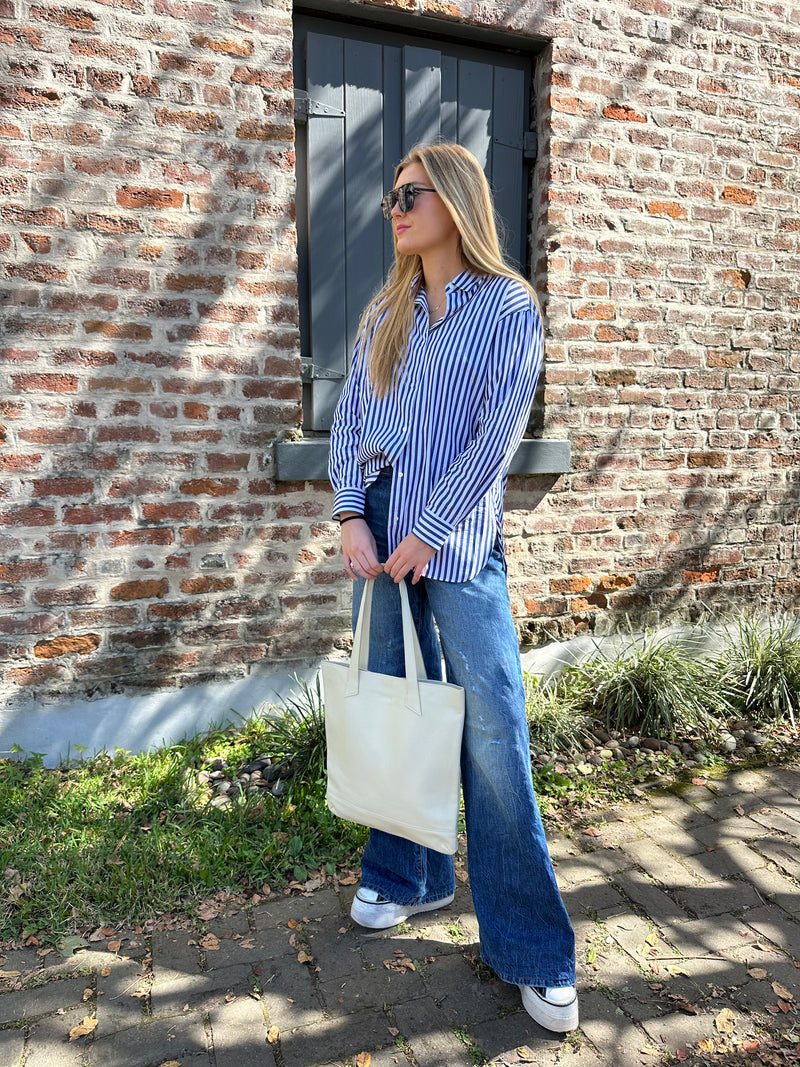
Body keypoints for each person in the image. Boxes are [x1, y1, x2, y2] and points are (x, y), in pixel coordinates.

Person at [328, 141, 577, 1033]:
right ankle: (413, 875)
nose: (393, 208)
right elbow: (351, 418)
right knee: (398, 702)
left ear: (457, 201)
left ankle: (534, 946)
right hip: (382, 524)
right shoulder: (385, 313)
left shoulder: (508, 305)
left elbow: (499, 428)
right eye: (389, 196)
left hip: (457, 533)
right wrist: (354, 515)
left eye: (410, 193)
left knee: (493, 727)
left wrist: (429, 529)